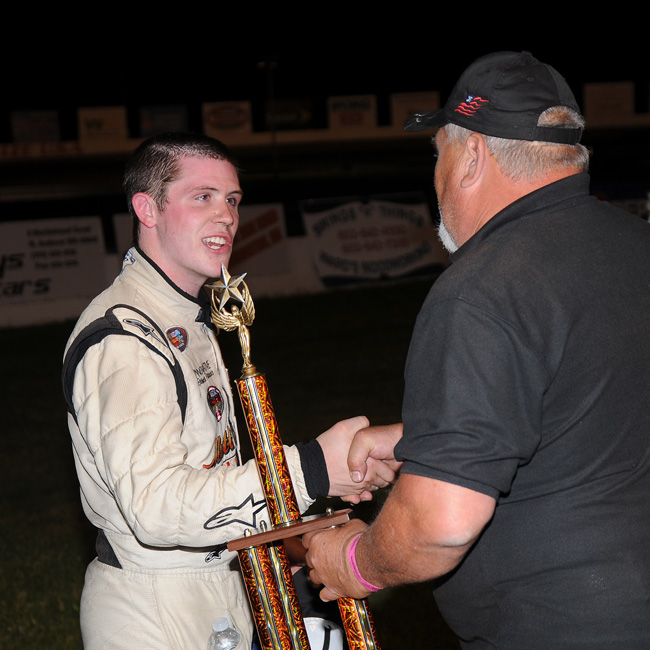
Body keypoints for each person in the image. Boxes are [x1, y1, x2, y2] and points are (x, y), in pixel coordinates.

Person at [303, 51, 650, 649]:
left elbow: (442, 522)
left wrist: (354, 562)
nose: (436, 174)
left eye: (438, 152)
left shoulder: (484, 288)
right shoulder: (634, 246)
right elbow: (595, 403)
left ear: (472, 157)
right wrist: (429, 439)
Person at [62, 132, 396, 650]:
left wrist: (313, 509)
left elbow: (211, 471)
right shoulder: (125, 339)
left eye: (233, 200)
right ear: (147, 209)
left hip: (214, 591)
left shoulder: (185, 317)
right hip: (156, 611)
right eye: (203, 197)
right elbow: (155, 506)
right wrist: (308, 470)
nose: (226, 216)